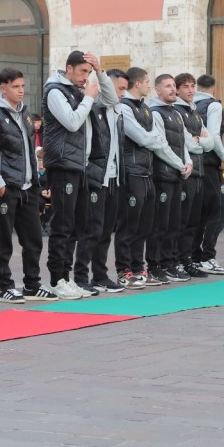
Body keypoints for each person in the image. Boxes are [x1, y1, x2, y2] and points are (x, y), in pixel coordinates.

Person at [42, 50, 118, 298]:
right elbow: (72, 122)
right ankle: (57, 280)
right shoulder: (55, 90)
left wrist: (101, 72)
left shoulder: (78, 91)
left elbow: (111, 100)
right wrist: (87, 99)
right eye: (82, 71)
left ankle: (68, 277)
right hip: (63, 164)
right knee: (62, 225)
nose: (86, 77)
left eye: (88, 72)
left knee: (76, 225)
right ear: (69, 68)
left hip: (80, 165)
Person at [0, 68, 58, 303]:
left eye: (23, 86)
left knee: (33, 238)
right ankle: (5, 285)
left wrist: (36, 176)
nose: (21, 91)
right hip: (8, 186)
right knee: (4, 238)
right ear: (3, 88)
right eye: (16, 86)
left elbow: (27, 148)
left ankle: (32, 284)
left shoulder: (25, 114)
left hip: (29, 186)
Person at [73, 68, 127, 294]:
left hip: (113, 177)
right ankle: (80, 276)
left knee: (105, 231)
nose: (123, 94)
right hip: (96, 177)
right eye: (120, 88)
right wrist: (99, 72)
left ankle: (100, 275)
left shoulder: (116, 111)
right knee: (91, 230)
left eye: (125, 89)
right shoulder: (94, 109)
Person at [116, 67, 163, 288]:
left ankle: (138, 267)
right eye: (146, 81)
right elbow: (142, 138)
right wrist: (152, 138)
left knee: (145, 225)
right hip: (132, 172)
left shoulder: (145, 108)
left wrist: (152, 138)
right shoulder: (124, 107)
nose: (148, 85)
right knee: (129, 225)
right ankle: (124, 270)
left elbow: (156, 137)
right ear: (137, 84)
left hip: (147, 172)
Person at [147, 73, 193, 283]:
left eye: (174, 86)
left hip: (178, 176)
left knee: (175, 223)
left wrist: (189, 162)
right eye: (168, 86)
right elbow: (161, 145)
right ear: (157, 90)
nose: (173, 89)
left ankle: (170, 263)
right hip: (163, 176)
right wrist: (180, 164)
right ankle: (155, 266)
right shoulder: (155, 113)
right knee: (160, 224)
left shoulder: (176, 113)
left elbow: (184, 142)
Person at [173, 72, 211, 278]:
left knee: (193, 221)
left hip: (199, 171)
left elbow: (209, 142)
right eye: (185, 86)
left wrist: (202, 140)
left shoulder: (194, 111)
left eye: (192, 86)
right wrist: (199, 141)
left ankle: (186, 258)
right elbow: (189, 144)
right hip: (185, 172)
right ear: (177, 90)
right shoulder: (177, 111)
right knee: (182, 219)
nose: (190, 90)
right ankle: (177, 260)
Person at [191, 74, 224, 274]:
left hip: (195, 163)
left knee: (201, 212)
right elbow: (213, 136)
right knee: (219, 211)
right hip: (210, 163)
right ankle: (207, 256)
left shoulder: (190, 105)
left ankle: (195, 255)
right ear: (214, 88)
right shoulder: (213, 106)